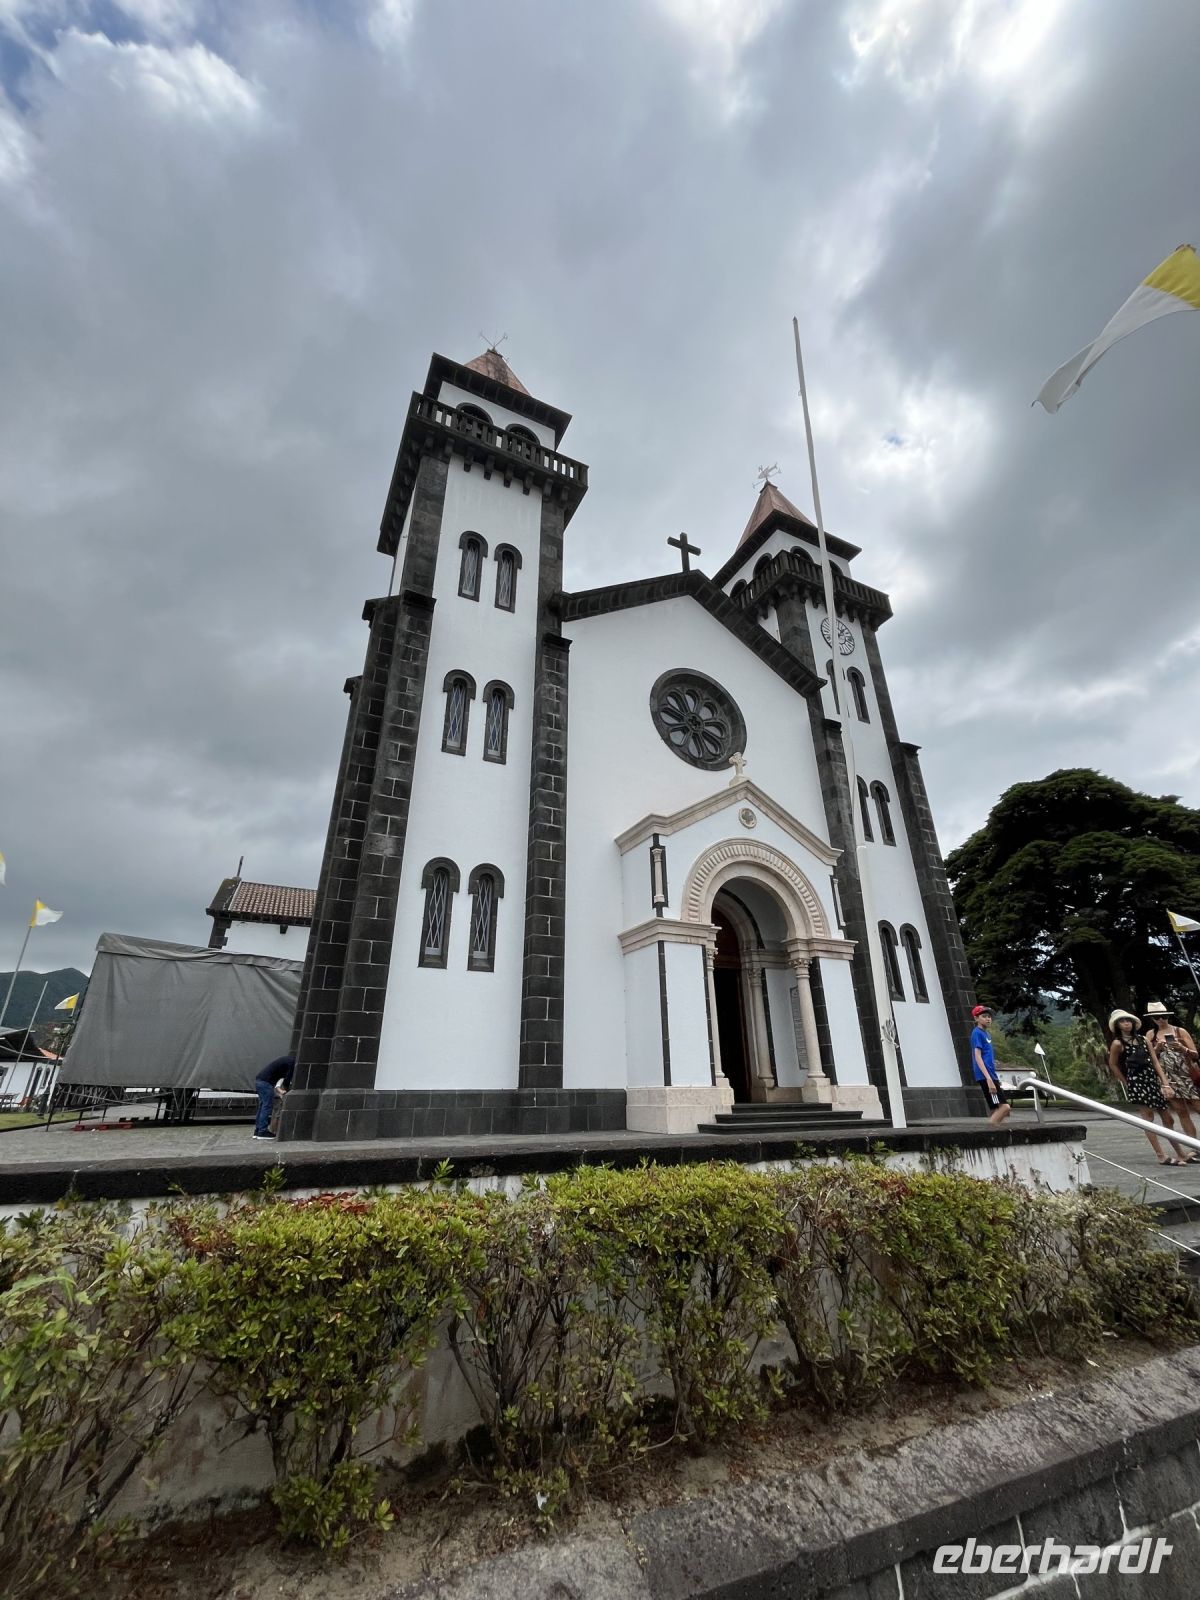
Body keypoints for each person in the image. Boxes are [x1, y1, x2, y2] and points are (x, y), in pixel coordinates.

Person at [1106, 1010, 1183, 1165]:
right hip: (1136, 1082)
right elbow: (1113, 1064)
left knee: (1168, 1118)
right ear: (1117, 1025)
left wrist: (1165, 1082)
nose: (1126, 1023)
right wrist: (1126, 1082)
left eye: (1128, 1020)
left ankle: (1180, 1152)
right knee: (1148, 1118)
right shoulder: (1118, 1044)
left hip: (1151, 1080)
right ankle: (1161, 1155)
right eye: (1122, 1021)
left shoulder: (1142, 1039)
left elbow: (1155, 1061)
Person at [1143, 1001, 1200, 1164]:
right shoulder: (1150, 1035)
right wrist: (1157, 1048)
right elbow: (1148, 1058)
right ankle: (1194, 1147)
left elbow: (1195, 1055)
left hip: (1186, 1075)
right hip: (1167, 1078)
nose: (1161, 1019)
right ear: (1152, 1019)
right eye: (1157, 1017)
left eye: (1164, 1016)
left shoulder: (1179, 1031)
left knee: (1197, 1106)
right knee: (1181, 1111)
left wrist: (1183, 1049)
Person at [970, 1004, 1011, 1126]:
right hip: (986, 1076)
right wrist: (989, 1079)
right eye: (984, 1016)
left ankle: (996, 1134)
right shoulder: (977, 1033)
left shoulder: (986, 1034)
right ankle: (988, 1133)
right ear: (976, 1018)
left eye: (989, 1016)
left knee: (997, 1109)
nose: (988, 1019)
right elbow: (977, 1056)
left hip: (991, 1075)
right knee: (1005, 1107)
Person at [254, 1052, 295, 1140]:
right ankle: (262, 1131)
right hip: (266, 1083)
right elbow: (287, 1079)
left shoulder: (287, 1060)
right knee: (266, 1106)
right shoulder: (293, 1062)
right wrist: (287, 1090)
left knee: (262, 1106)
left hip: (260, 1081)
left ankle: (257, 1131)